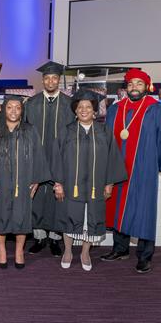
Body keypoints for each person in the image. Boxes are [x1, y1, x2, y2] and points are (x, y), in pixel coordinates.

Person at [102, 68, 161, 273]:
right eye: (130, 84)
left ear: (147, 86)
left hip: (143, 169)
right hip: (118, 168)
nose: (134, 87)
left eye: (139, 83)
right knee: (118, 207)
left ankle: (145, 256)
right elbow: (105, 141)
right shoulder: (115, 109)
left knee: (144, 210)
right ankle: (120, 249)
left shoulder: (158, 110)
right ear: (125, 88)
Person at [52, 89, 127, 271]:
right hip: (71, 186)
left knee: (90, 220)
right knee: (69, 218)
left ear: (95, 111)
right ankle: (68, 251)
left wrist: (109, 183)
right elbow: (56, 158)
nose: (84, 110)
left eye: (88, 107)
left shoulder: (104, 131)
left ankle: (85, 252)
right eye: (80, 107)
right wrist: (58, 183)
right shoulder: (66, 131)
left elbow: (113, 158)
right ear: (75, 111)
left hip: (96, 186)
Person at [0, 95, 49, 269]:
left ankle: (20, 250)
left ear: (22, 110)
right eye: (9, 107)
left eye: (17, 107)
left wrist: (36, 180)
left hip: (24, 179)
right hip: (0, 180)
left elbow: (39, 156)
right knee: (1, 215)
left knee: (22, 216)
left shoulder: (30, 130)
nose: (13, 111)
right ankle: (2, 250)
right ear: (3, 109)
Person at [25, 61, 75, 257]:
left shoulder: (69, 104)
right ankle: (39, 237)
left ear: (59, 80)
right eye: (47, 78)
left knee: (58, 197)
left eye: (54, 78)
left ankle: (55, 238)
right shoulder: (32, 103)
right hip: (37, 158)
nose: (51, 81)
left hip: (61, 158)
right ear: (43, 80)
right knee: (37, 198)